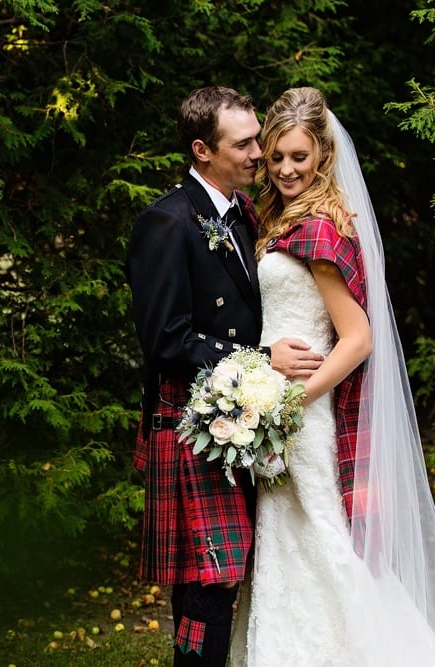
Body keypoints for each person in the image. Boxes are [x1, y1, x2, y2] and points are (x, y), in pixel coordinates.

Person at [229, 86, 435, 666]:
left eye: (300, 156)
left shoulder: (319, 226)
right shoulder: (282, 216)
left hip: (301, 412)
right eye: (276, 157)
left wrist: (291, 403)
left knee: (320, 539)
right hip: (279, 403)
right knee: (290, 543)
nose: (287, 168)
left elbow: (359, 337)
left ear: (322, 152)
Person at [125, 86, 324, 667]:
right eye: (245, 143)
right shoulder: (165, 221)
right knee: (208, 581)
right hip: (192, 421)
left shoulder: (242, 213)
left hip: (239, 417)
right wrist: (264, 363)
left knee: (224, 575)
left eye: (258, 137)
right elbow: (164, 338)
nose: (260, 152)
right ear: (202, 150)